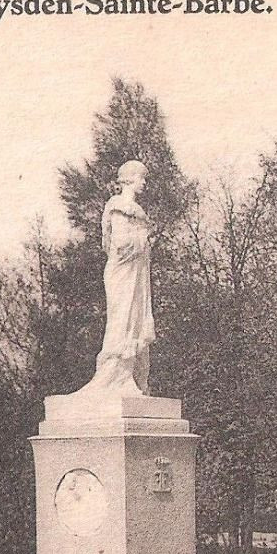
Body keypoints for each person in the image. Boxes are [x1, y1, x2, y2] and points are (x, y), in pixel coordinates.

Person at [81, 159, 156, 395]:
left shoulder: (137, 213)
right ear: (130, 179)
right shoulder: (119, 207)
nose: (144, 183)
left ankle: (132, 376)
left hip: (136, 273)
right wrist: (145, 240)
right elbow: (122, 245)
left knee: (134, 321)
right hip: (122, 273)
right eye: (141, 178)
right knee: (123, 320)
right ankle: (116, 375)